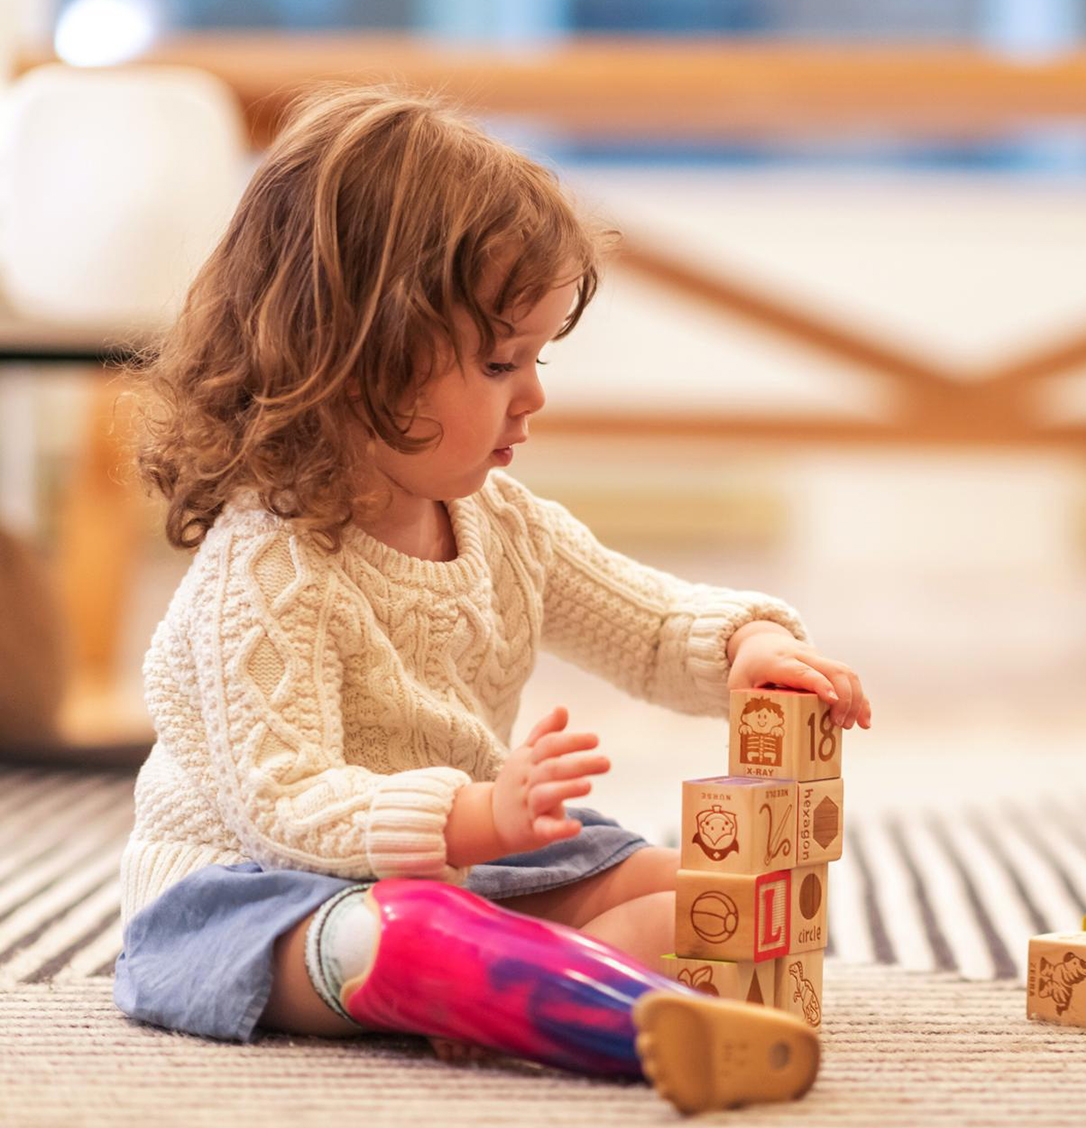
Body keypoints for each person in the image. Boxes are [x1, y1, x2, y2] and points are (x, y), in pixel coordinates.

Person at [114, 84, 871, 1114]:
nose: (535, 394)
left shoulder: (501, 525)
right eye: (500, 360)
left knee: (688, 887)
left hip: (468, 858)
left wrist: (742, 645)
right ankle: (584, 1012)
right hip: (255, 889)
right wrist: (474, 816)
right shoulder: (270, 568)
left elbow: (643, 621)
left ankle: (554, 986)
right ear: (355, 359)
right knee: (388, 936)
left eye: (537, 357)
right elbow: (283, 805)